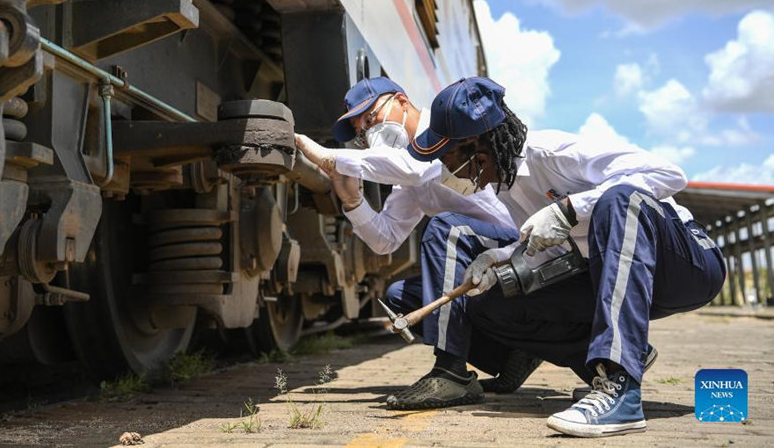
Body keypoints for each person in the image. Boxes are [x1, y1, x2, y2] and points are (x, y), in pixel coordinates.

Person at [407, 76, 726, 437]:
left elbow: (669, 174)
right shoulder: (507, 187)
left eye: (447, 159)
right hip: (612, 274)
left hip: (686, 265)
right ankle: (617, 359)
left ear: (475, 148)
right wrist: (501, 257)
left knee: (618, 200)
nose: (445, 171)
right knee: (490, 305)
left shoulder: (554, 152)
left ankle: (621, 390)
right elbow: (553, 244)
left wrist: (572, 207)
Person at [295, 76, 542, 410]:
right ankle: (511, 357)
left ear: (400, 101)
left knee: (444, 228)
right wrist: (354, 203)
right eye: (361, 131)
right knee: (401, 296)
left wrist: (328, 157)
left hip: (520, 245)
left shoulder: (443, 131)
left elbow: (414, 169)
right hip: (481, 258)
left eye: (371, 119)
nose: (369, 133)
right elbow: (386, 240)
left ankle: (450, 372)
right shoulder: (407, 172)